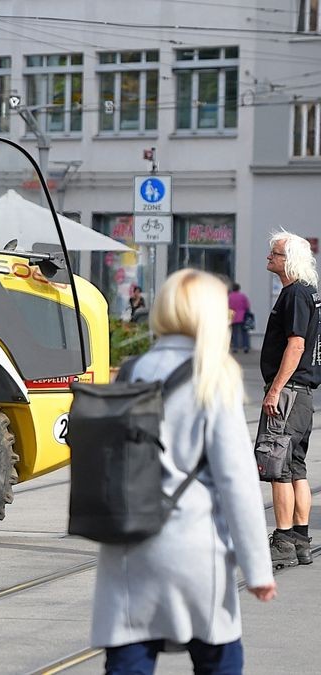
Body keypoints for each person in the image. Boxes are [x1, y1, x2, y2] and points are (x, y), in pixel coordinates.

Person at [91, 268, 275, 674]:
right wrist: (258, 568)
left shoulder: (131, 371)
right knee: (218, 659)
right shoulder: (213, 376)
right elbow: (237, 481)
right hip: (196, 548)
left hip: (130, 543)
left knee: (129, 658)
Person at [260, 230, 320, 569]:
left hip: (289, 393)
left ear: (291, 260)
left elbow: (296, 345)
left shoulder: (295, 294)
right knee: (296, 468)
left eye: (276, 253)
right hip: (302, 395)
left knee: (277, 467)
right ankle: (300, 540)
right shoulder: (308, 293)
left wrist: (274, 389)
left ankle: (282, 539)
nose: (270, 257)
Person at [228, 282, 251, 353]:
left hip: (233, 316)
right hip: (242, 315)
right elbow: (247, 306)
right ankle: (245, 346)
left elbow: (227, 306)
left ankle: (235, 347)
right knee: (244, 332)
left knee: (234, 333)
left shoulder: (230, 296)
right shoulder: (242, 296)